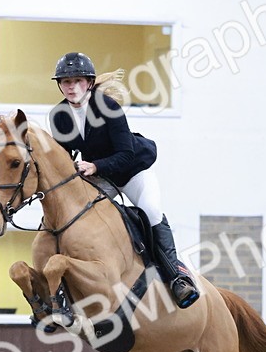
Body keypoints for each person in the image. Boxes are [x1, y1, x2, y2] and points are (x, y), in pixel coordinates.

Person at [47, 51, 200, 309]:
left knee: (150, 211)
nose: (70, 87)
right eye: (65, 81)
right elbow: (64, 155)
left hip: (131, 171)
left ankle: (177, 275)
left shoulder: (108, 107)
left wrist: (94, 165)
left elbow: (126, 154)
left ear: (90, 82)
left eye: (77, 81)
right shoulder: (59, 115)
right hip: (100, 177)